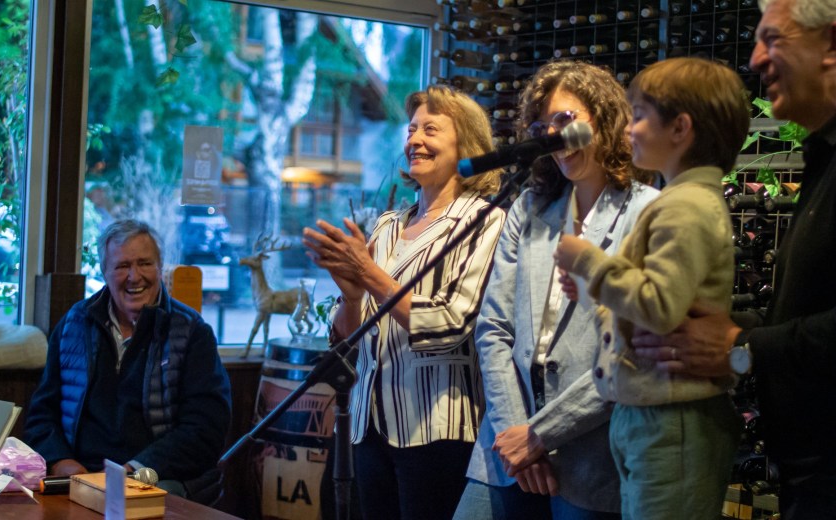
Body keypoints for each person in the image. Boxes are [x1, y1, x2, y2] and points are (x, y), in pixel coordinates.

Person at [632, 1, 836, 517]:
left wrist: (744, 347)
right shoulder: (824, 157)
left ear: (831, 44)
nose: (753, 59)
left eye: (773, 39)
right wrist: (731, 330)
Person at [454, 61, 658, 520]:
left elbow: (634, 350)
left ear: (604, 120)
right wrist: (516, 434)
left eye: (565, 120)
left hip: (591, 451)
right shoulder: (529, 206)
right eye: (543, 126)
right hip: (506, 445)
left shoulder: (647, 212)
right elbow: (493, 329)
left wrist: (543, 433)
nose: (554, 134)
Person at [553, 58, 751, 519]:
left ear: (680, 128)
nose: (627, 131)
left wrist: (587, 259)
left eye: (639, 115)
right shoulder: (680, 200)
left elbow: (660, 307)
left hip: (671, 420)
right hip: (650, 415)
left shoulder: (684, 207)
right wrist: (591, 289)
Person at [302, 85, 505, 520]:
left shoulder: (485, 220)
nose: (414, 140)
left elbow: (448, 326)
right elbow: (347, 343)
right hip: (367, 426)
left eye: (431, 129)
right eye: (411, 129)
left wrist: (370, 276)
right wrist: (352, 296)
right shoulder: (389, 225)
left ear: (465, 145)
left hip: (435, 431)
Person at [24, 219, 232, 497]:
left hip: (155, 476)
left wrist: (134, 470)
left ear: (159, 268)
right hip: (80, 475)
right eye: (122, 266)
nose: (135, 276)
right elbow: (42, 412)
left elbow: (206, 429)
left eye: (145, 263)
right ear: (104, 272)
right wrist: (61, 461)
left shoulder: (191, 331)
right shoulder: (74, 324)